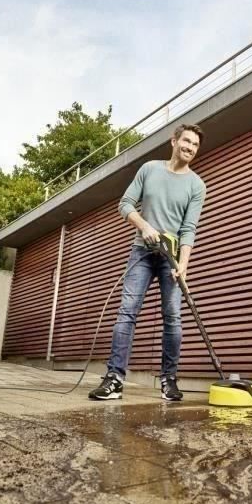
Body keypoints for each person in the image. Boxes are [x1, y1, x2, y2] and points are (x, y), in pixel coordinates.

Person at [88, 123, 206, 402]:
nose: (190, 148)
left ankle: (169, 380)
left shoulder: (197, 185)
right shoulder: (149, 169)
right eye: (186, 141)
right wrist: (144, 226)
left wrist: (183, 265)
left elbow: (189, 229)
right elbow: (125, 204)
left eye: (195, 145)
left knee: (173, 317)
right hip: (141, 252)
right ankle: (114, 379)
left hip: (171, 258)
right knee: (127, 312)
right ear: (174, 141)